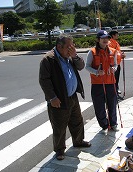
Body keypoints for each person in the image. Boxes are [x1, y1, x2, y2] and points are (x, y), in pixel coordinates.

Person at [39, 33, 91, 161]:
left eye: (72, 45)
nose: (71, 48)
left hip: (72, 96)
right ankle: (60, 150)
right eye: (68, 46)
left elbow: (81, 66)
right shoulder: (48, 59)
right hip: (59, 99)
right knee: (59, 126)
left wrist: (75, 56)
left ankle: (78, 141)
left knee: (77, 121)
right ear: (59, 46)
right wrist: (52, 97)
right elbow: (44, 80)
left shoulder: (70, 56)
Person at [85, 30, 119, 134]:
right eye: (102, 38)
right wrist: (96, 72)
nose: (105, 40)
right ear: (98, 40)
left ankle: (113, 123)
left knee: (112, 104)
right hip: (97, 84)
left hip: (110, 82)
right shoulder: (92, 52)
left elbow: (115, 65)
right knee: (99, 106)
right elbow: (87, 66)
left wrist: (114, 69)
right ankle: (104, 124)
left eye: (107, 38)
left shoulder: (113, 51)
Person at [108, 30, 126, 98]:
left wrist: (122, 54)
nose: (118, 36)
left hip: (117, 63)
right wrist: (120, 55)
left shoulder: (116, 43)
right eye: (116, 35)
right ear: (113, 35)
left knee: (116, 79)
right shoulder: (110, 43)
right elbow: (111, 53)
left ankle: (116, 90)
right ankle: (113, 93)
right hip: (113, 64)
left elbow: (118, 52)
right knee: (113, 79)